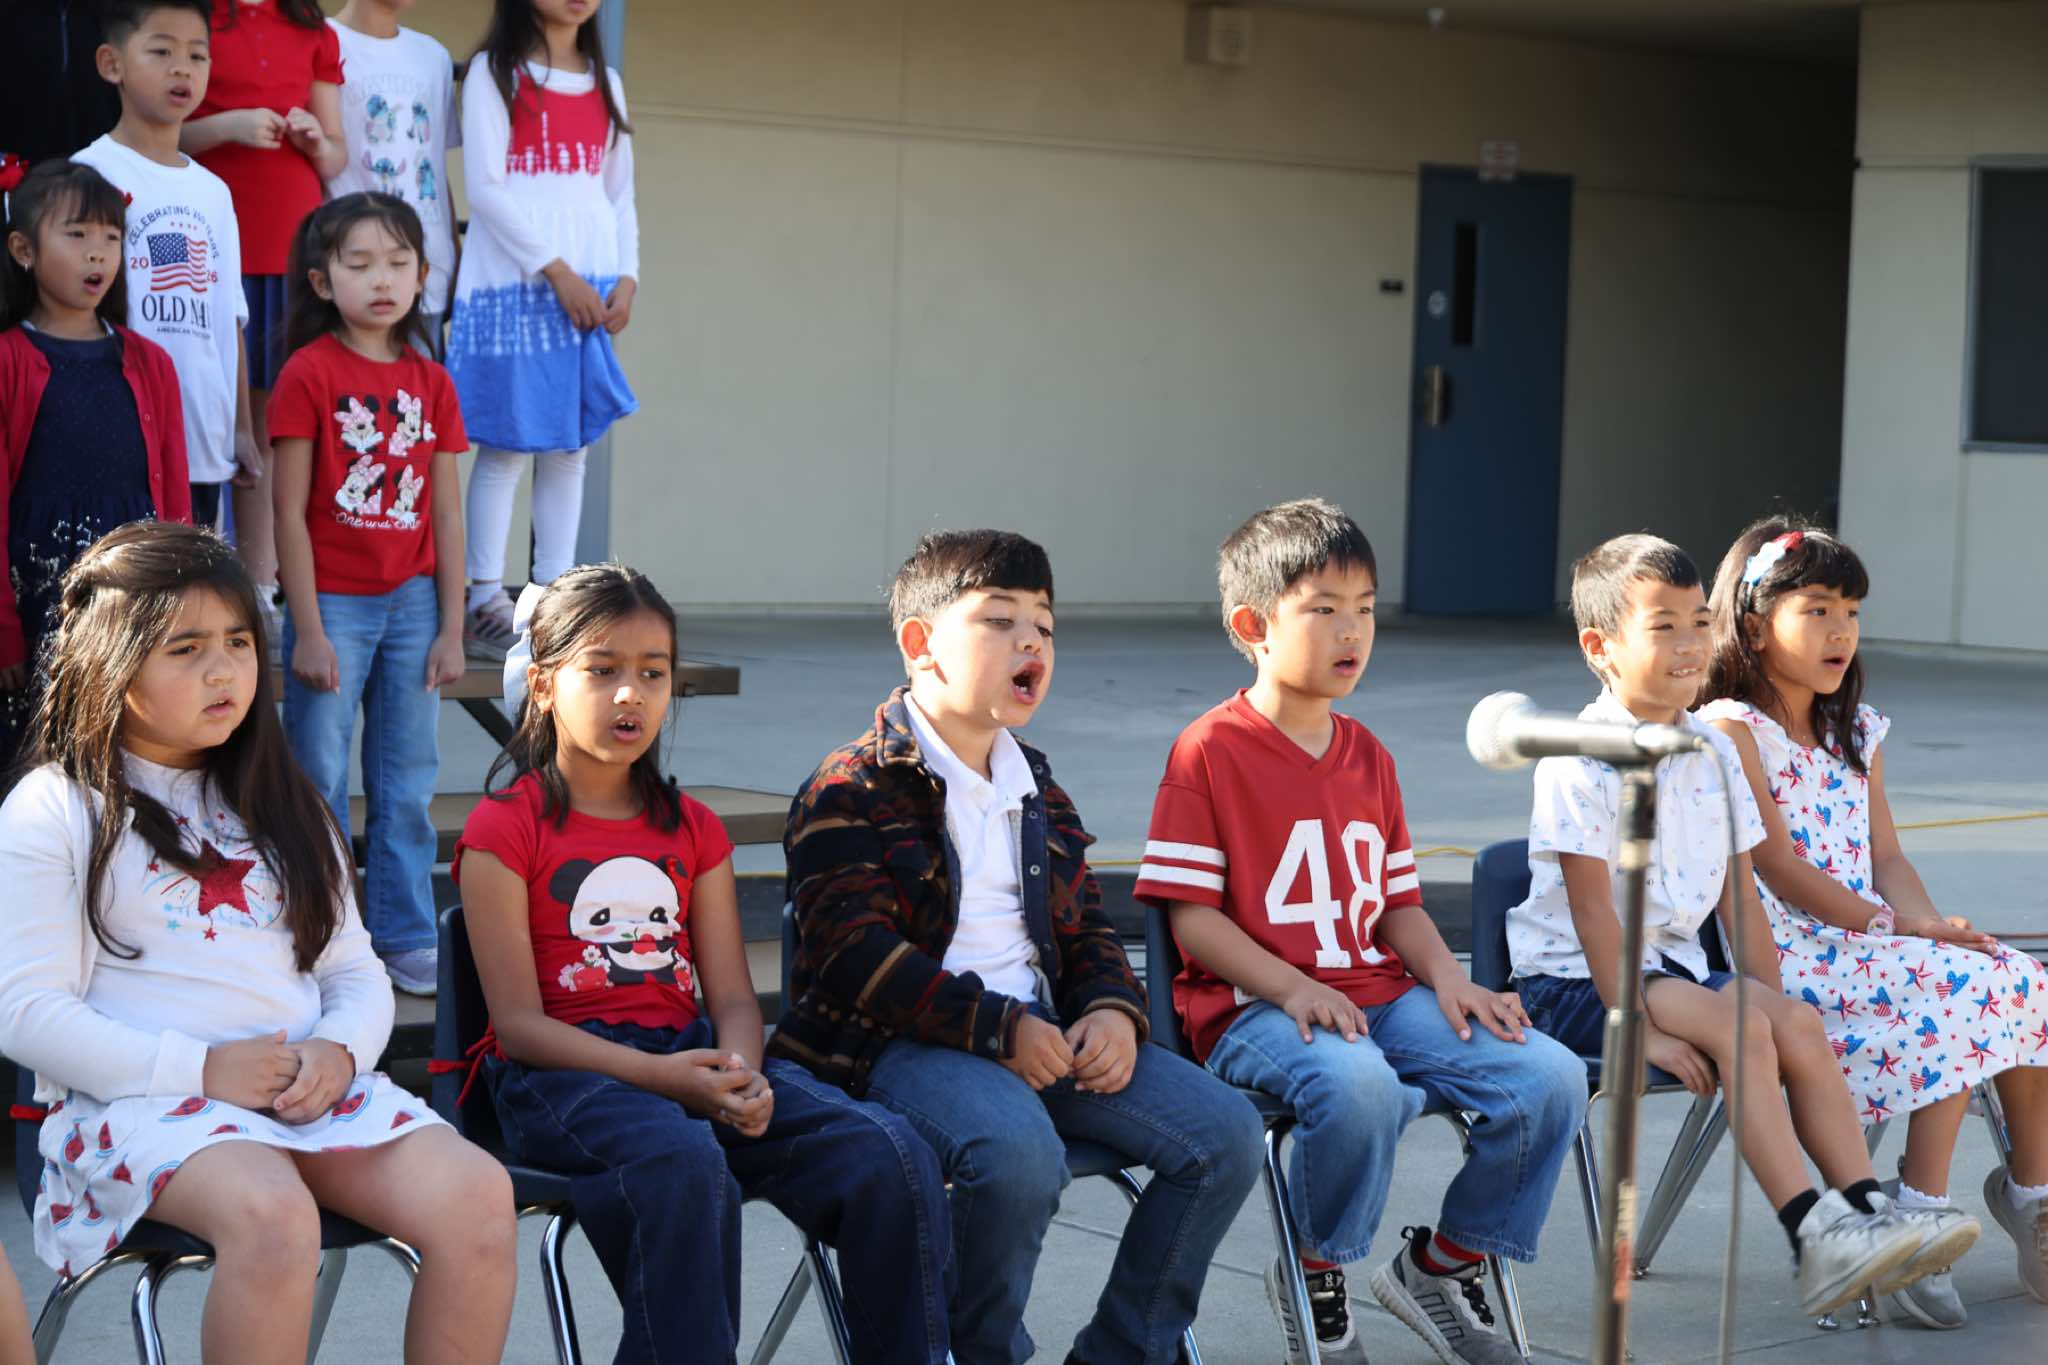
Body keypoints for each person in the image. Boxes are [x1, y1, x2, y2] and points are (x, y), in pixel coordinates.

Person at [0, 521, 515, 1365]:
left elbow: (354, 972)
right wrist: (201, 1070)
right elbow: (25, 1012)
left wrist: (340, 1052)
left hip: (306, 1098)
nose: (223, 670)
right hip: (137, 1105)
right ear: (109, 661)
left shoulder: (288, 803)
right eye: (186, 648)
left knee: (479, 1195)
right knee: (275, 1218)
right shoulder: (56, 806)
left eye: (238, 642)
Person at [777, 529, 1262, 1365]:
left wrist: (1111, 1010)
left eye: (1044, 624)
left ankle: (1121, 1352)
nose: (1030, 641)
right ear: (921, 644)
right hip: (901, 1045)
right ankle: (976, 1352)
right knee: (1018, 1156)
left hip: (1041, 1033)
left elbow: (1086, 925)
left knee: (1227, 1133)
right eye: (999, 621)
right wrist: (999, 1030)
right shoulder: (849, 786)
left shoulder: (1035, 782)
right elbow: (855, 958)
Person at [456, 562, 953, 1364]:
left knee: (888, 1152)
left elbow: (733, 999)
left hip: (693, 1059)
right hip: (564, 1077)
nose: (631, 693)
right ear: (543, 685)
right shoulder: (503, 828)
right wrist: (667, 1081)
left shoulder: (693, 827)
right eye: (602, 670)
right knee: (686, 1164)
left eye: (653, 673)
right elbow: (517, 1027)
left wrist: (740, 1075)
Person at [1134, 498, 1584, 1365]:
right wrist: (1294, 986)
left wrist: (1450, 979)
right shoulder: (1209, 750)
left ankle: (1441, 1267)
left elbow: (1398, 906)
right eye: (1324, 608)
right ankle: (1314, 1269)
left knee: (1548, 1074)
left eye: (1366, 608)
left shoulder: (1369, 754)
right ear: (1253, 626)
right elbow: (1191, 916)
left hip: (1380, 996)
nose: (1352, 630)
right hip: (1258, 1009)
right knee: (1362, 1086)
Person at [1509, 532, 1956, 1324]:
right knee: (1743, 1022)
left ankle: (1868, 1217)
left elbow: (1740, 900)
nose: (1690, 644)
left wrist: (1780, 1012)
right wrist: (1636, 1033)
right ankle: (1814, 1234)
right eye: (1664, 626)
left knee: (1791, 1020)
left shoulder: (1711, 749)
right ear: (1600, 648)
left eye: (1698, 622)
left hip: (1675, 974)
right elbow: (1593, 916)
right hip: (1579, 983)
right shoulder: (1578, 760)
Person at [1699, 517, 2048, 1326]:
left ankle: (2032, 1194)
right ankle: (1917, 1213)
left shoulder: (1855, 729)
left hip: (1872, 937)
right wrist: (1898, 930)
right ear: (1755, 624)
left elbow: (1886, 854)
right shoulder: (1732, 729)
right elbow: (1776, 866)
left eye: (1851, 611)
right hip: (1796, 952)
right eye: (1817, 609)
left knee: (2020, 975)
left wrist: (1926, 922)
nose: (1841, 631)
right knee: (1958, 987)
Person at [269, 192, 466, 997]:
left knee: (407, 777)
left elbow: (447, 511)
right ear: (323, 281)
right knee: (316, 773)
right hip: (335, 604)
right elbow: (287, 510)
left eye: (397, 262)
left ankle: (405, 933)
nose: (381, 279)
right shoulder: (308, 373)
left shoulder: (432, 380)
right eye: (359, 264)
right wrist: (308, 627)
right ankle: (319, 936)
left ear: (422, 276)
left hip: (414, 600)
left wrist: (452, 624)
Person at [448, 0, 638, 662]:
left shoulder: (606, 83)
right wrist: (555, 271)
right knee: (506, 445)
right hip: (519, 283)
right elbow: (486, 189)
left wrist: (628, 276)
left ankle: (554, 595)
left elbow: (618, 194)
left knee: (570, 445)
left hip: (590, 286)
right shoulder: (494, 72)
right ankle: (484, 598)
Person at [0, 159, 190, 766]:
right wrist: (4, 629)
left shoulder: (151, 362)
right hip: (40, 601)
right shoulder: (8, 359)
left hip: (134, 592)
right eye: (77, 234)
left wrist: (184, 596)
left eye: (111, 237)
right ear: (23, 249)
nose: (97, 253)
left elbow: (175, 499)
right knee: (41, 762)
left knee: (132, 753)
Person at [181, 0, 346, 630]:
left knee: (273, 420)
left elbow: (335, 156)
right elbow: (163, 132)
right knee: (209, 410)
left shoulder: (312, 28)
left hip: (289, 241)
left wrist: (313, 139)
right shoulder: (198, 17)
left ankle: (259, 583)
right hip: (207, 244)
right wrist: (228, 125)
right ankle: (195, 576)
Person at [73, 0, 257, 532]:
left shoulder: (215, 192)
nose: (182, 68)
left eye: (197, 56)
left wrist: (241, 428)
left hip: (201, 439)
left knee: (191, 579)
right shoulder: (89, 174)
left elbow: (229, 318)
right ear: (112, 64)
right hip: (118, 436)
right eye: (161, 52)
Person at [324, 0, 460, 350]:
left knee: (421, 383)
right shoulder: (321, 40)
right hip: (353, 270)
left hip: (426, 269)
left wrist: (453, 252)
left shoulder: (434, 56)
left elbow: (433, 165)